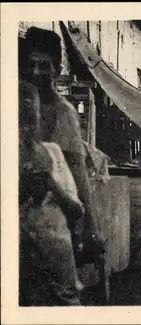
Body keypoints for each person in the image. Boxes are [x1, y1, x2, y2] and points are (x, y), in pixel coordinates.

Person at [19, 27, 102, 266]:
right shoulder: (14, 101)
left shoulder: (63, 113)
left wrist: (91, 229)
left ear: (57, 69)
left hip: (49, 218)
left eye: (44, 66)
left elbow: (78, 173)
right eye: (31, 64)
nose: (36, 72)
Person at [19, 81, 84, 306]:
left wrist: (51, 184)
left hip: (59, 262)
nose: (26, 123)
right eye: (20, 116)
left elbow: (77, 210)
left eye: (32, 114)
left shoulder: (53, 152)